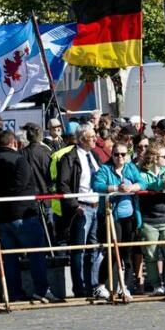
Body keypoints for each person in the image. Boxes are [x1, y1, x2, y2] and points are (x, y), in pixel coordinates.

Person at [0, 131, 57, 303]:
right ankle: (41, 290)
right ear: (14, 143)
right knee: (36, 253)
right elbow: (21, 185)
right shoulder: (20, 160)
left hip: (0, 217)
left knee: (9, 258)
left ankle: (14, 293)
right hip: (22, 214)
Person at [91, 142, 143, 300]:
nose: (120, 157)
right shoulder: (105, 169)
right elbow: (96, 185)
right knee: (113, 252)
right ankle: (100, 285)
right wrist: (115, 188)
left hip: (129, 215)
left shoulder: (130, 168)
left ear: (127, 155)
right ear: (112, 155)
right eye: (116, 154)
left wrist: (132, 187)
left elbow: (142, 182)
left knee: (127, 253)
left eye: (123, 154)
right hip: (112, 216)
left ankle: (124, 286)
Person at [57, 124, 102, 298]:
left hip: (96, 205)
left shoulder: (95, 156)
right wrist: (75, 205)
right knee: (79, 249)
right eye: (91, 137)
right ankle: (79, 286)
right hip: (81, 208)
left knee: (94, 248)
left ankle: (93, 283)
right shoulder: (70, 157)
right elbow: (63, 184)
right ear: (82, 139)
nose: (95, 140)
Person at [138, 139, 165, 296]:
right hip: (148, 220)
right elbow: (145, 185)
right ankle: (157, 286)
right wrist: (161, 184)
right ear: (156, 157)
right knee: (151, 255)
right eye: (164, 156)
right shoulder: (141, 172)